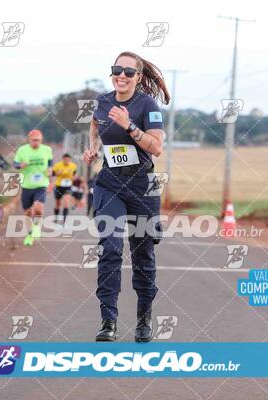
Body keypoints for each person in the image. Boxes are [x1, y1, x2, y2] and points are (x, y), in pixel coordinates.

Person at [83, 51, 169, 342]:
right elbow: (94, 125)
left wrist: (129, 125)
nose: (121, 75)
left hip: (143, 186)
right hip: (109, 183)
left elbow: (156, 148)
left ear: (138, 77)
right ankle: (108, 322)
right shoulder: (103, 102)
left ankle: (144, 319)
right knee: (110, 249)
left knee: (143, 254)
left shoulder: (148, 105)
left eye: (128, 72)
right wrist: (93, 148)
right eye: (117, 69)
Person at [13, 129, 53, 246]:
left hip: (41, 184)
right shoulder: (22, 150)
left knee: (38, 209)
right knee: (28, 212)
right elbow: (15, 164)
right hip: (27, 185)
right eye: (34, 140)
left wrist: (50, 170)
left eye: (39, 140)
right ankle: (29, 234)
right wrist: (21, 165)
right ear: (29, 140)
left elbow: (50, 162)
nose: (37, 142)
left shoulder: (47, 149)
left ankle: (37, 228)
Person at [51, 153, 77, 223]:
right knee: (58, 203)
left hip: (68, 187)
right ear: (63, 159)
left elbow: (74, 174)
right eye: (65, 160)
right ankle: (56, 218)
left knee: (66, 202)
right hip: (59, 186)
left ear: (70, 160)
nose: (67, 161)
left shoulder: (73, 166)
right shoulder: (57, 165)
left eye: (68, 160)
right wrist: (57, 173)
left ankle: (64, 220)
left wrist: (73, 179)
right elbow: (52, 174)